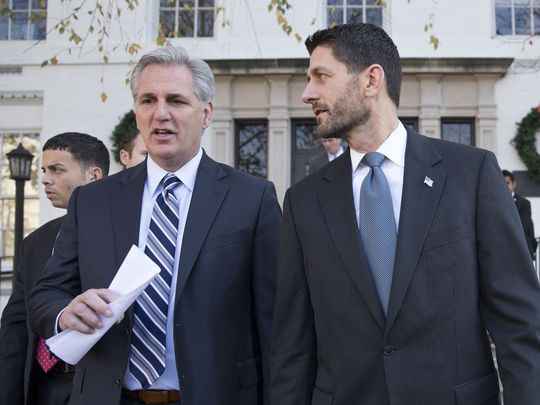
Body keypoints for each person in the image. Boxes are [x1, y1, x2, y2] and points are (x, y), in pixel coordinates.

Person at [271, 23, 540, 405]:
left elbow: (521, 324)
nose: (307, 93)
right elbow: (292, 347)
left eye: (321, 77)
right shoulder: (303, 202)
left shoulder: (471, 174)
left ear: (371, 80)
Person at [29, 46, 281, 405]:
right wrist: (65, 312)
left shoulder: (252, 199)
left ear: (206, 113)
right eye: (148, 100)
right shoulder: (93, 202)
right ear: (137, 113)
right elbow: (44, 296)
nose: (160, 114)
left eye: (176, 101)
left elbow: (275, 323)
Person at [0, 132, 109, 405]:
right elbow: (16, 327)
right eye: (45, 171)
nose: (46, 179)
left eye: (57, 170)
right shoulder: (34, 243)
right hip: (43, 387)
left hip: (100, 387)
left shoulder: (123, 234)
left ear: (94, 176)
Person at [502, 170, 537, 259]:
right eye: (501, 183)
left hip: (520, 249)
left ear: (514, 184)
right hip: (501, 251)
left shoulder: (524, 203)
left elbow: (524, 225)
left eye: (507, 183)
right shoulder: (492, 203)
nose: (504, 186)